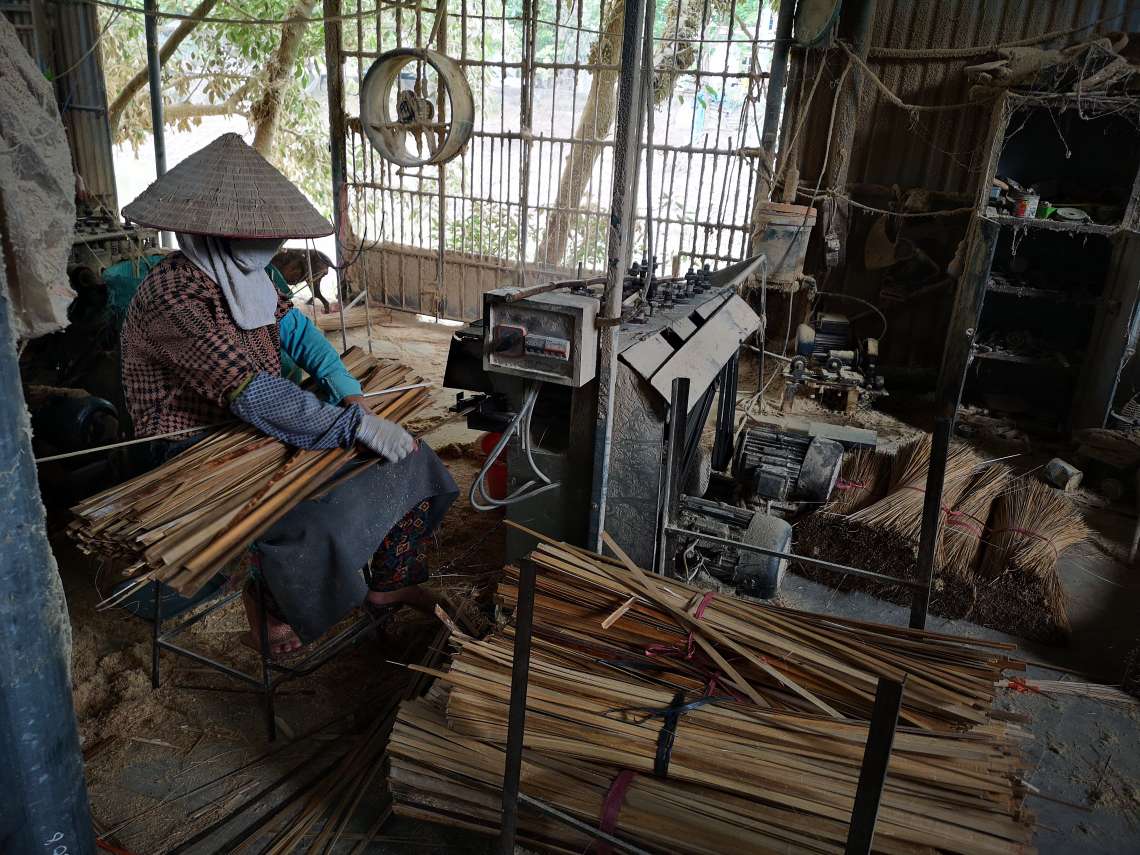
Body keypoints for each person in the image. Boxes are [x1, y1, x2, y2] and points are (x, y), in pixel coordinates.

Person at [119, 133, 457, 656]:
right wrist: (354, 428)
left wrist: (350, 396)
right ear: (212, 232)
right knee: (310, 520)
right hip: (198, 445)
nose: (270, 242)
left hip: (269, 417)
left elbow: (296, 332)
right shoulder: (174, 299)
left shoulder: (246, 272)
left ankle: (388, 584)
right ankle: (268, 601)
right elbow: (252, 395)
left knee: (412, 461)